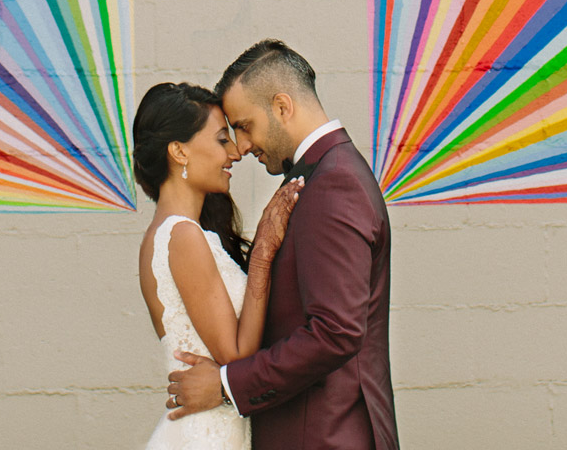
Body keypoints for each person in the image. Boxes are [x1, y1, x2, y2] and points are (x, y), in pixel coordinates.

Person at [165, 41, 398, 450]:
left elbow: (336, 332)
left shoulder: (334, 183)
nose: (242, 146)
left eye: (245, 125)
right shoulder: (323, 175)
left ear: (282, 107)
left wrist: (224, 385)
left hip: (326, 437)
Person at [134, 81, 304, 450]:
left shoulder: (170, 234)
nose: (235, 153)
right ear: (179, 151)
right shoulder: (183, 237)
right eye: (221, 140)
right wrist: (262, 254)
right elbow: (236, 356)